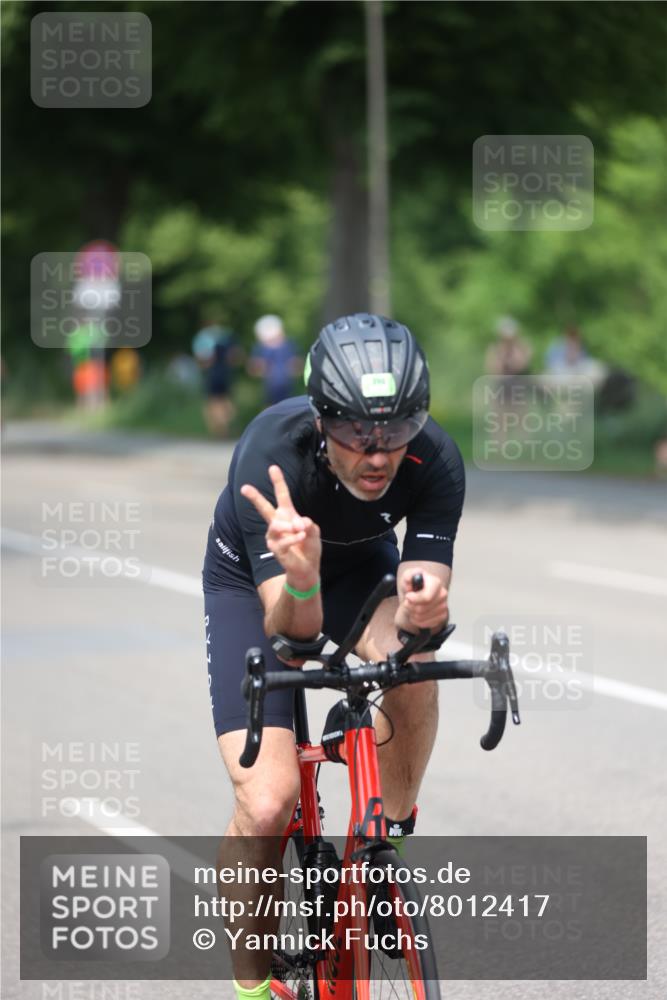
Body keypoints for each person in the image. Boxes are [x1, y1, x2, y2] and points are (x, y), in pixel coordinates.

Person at [203, 313, 465, 999]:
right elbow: (291, 632)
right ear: (322, 420)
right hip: (267, 584)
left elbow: (423, 588)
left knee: (413, 664)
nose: (377, 455)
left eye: (396, 430)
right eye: (355, 432)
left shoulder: (434, 458)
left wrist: (420, 616)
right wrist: (299, 572)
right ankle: (253, 989)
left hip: (357, 566)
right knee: (266, 805)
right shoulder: (272, 457)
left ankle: (387, 846)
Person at [193, 321, 242, 438]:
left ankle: (219, 429)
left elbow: (203, 360)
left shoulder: (205, 338)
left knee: (212, 403)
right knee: (226, 401)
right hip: (226, 374)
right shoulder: (227, 338)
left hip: (213, 374)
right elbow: (236, 357)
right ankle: (228, 425)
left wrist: (203, 366)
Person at [247, 314, 302, 405]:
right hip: (270, 388)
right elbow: (253, 369)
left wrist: (294, 367)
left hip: (288, 388)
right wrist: (261, 368)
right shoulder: (260, 348)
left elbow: (298, 366)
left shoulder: (289, 345)